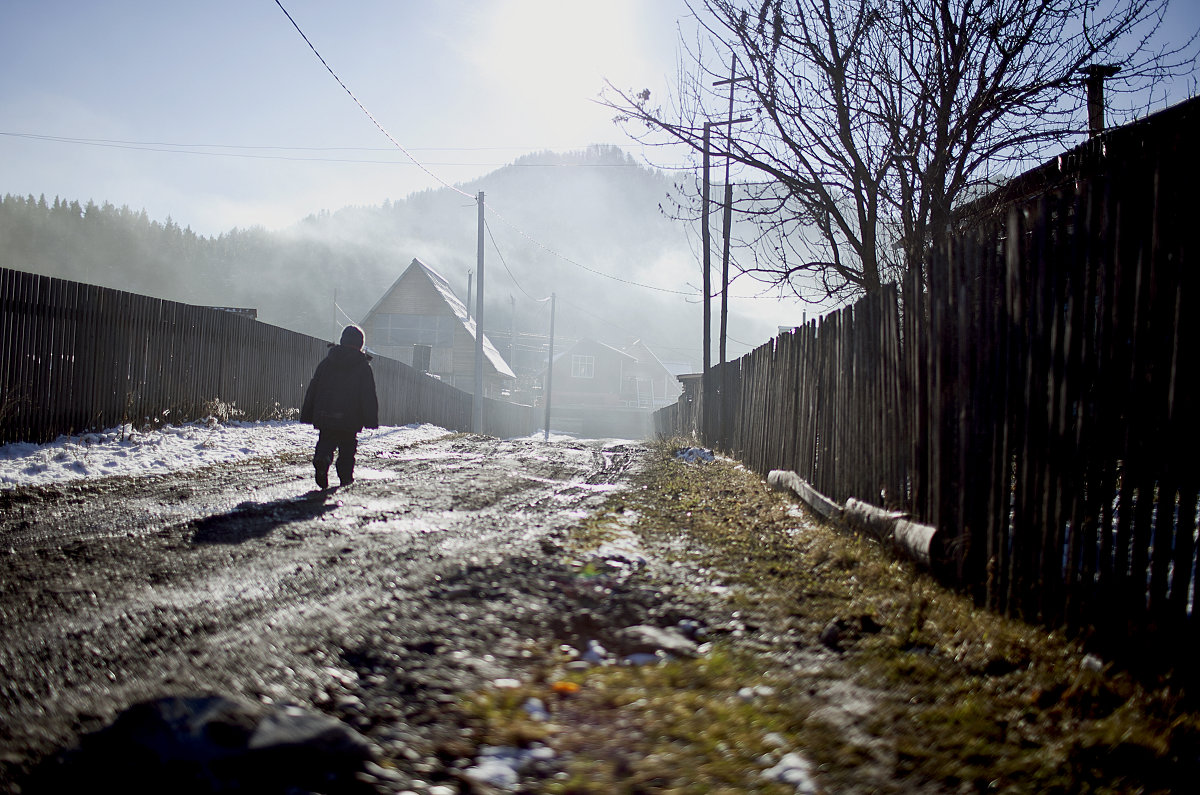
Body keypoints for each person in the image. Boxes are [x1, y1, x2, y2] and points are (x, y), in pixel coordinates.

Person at [300, 324, 379, 489]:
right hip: (350, 417)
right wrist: (370, 419)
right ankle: (345, 477)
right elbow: (368, 395)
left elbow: (313, 388)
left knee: (326, 440)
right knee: (347, 448)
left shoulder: (327, 363)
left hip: (325, 413)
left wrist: (308, 413)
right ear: (360, 344)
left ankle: (322, 458)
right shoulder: (363, 366)